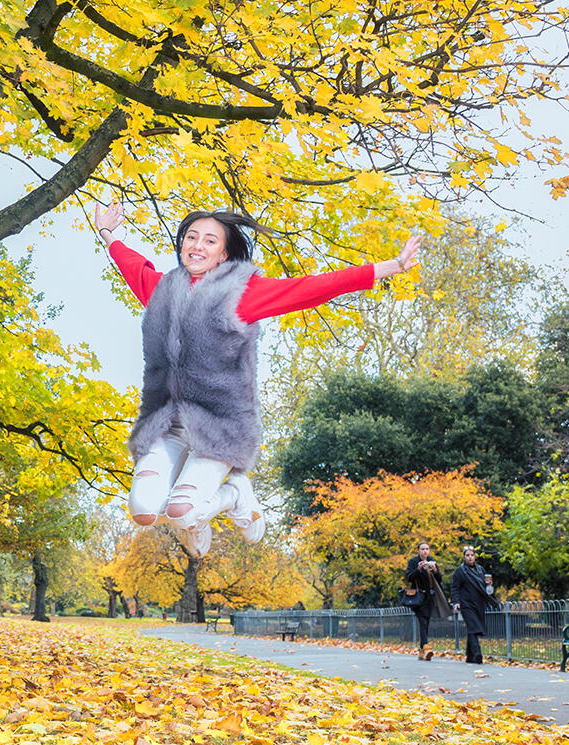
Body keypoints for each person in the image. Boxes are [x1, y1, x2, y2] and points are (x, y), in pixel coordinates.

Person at [94, 202, 420, 552]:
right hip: (167, 422)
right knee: (143, 509)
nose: (197, 247)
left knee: (182, 512)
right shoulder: (162, 292)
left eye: (209, 241)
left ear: (223, 255)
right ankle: (197, 512)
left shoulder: (242, 293)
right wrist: (107, 232)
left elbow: (312, 288)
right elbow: (130, 264)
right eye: (191, 237)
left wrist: (391, 267)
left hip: (220, 426)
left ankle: (234, 495)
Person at [451, 545, 498, 663]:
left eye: (472, 555)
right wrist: (456, 602)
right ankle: (477, 653)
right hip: (466, 603)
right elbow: (455, 588)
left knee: (473, 628)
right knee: (473, 627)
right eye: (468, 555)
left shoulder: (480, 570)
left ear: (475, 557)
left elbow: (485, 588)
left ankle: (470, 656)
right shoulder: (460, 571)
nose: (470, 557)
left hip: (479, 603)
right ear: (464, 557)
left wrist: (489, 584)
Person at [404, 541, 445, 660]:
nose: (425, 551)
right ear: (418, 550)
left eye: (427, 549)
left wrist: (435, 570)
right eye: (422, 549)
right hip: (418, 597)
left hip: (430, 596)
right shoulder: (413, 561)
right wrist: (418, 569)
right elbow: (409, 577)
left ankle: (422, 650)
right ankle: (426, 648)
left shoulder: (432, 560)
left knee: (426, 621)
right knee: (422, 621)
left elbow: (439, 579)